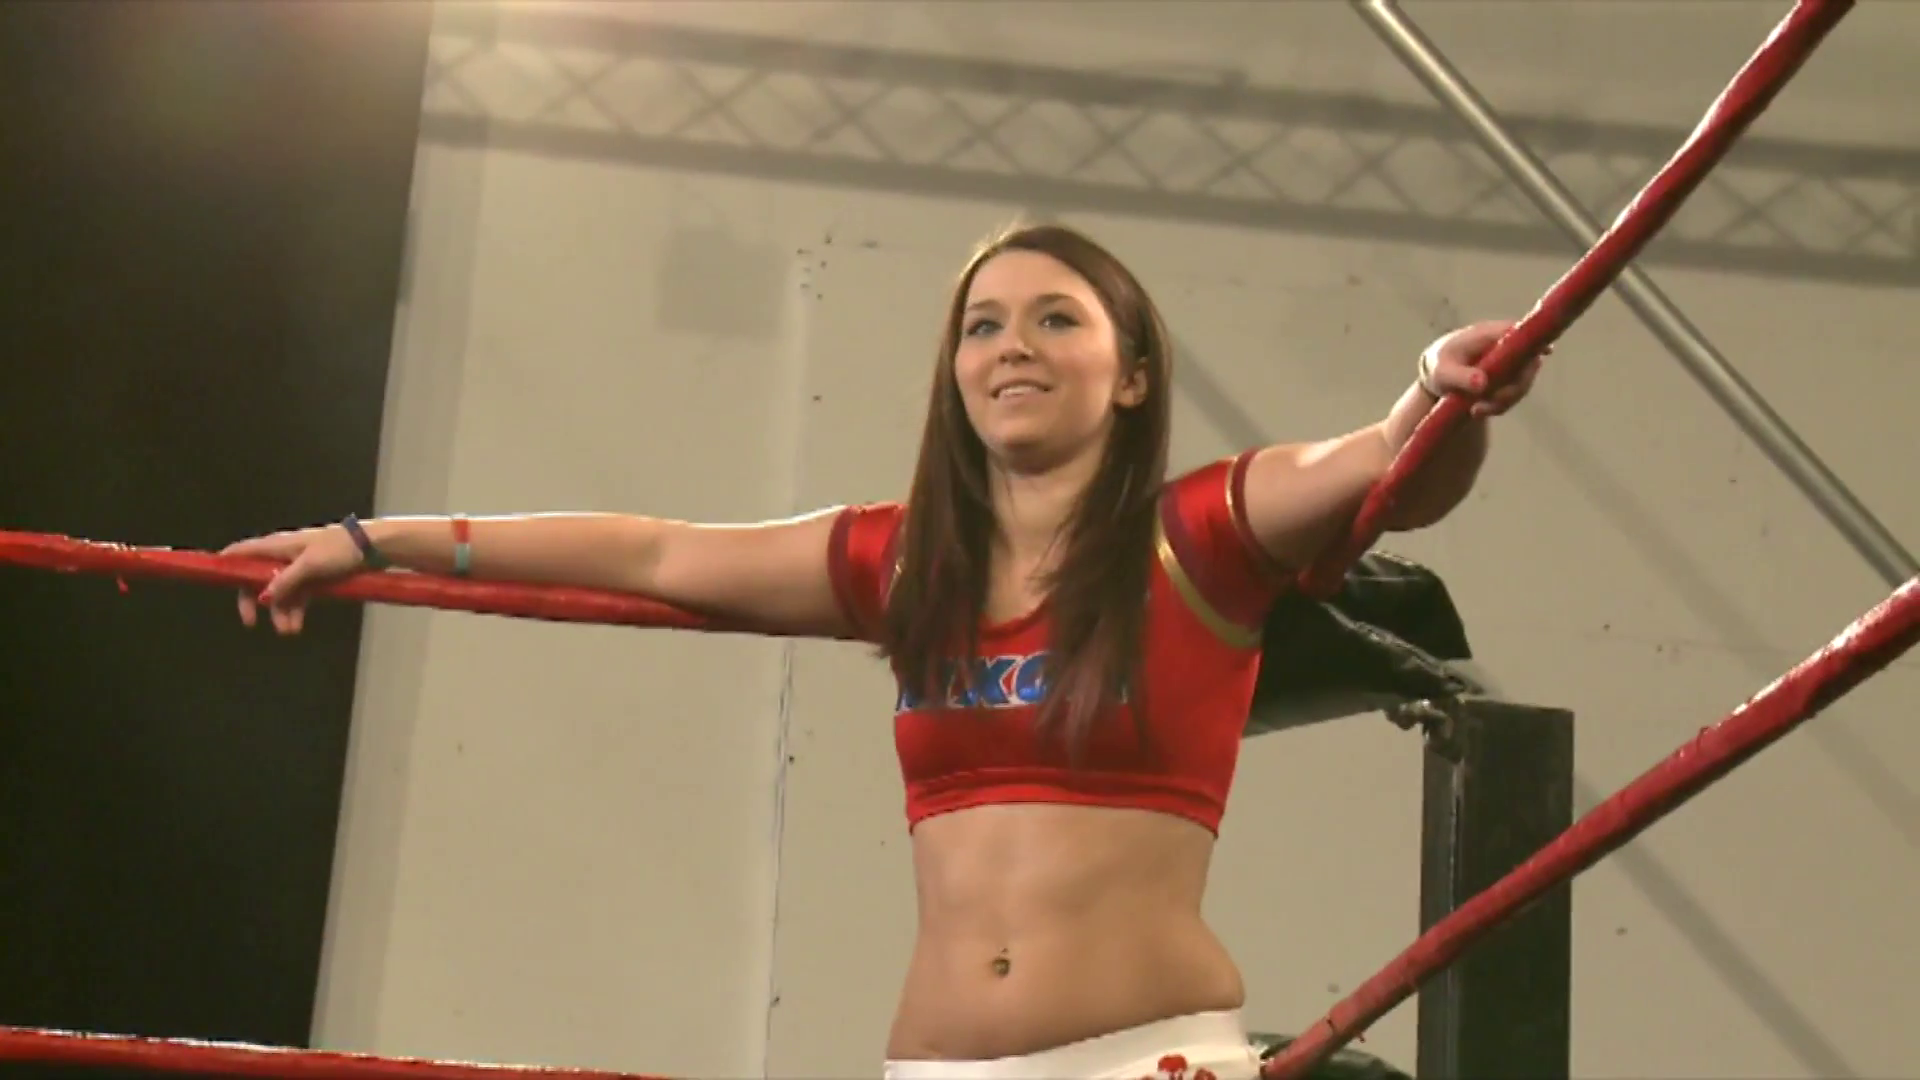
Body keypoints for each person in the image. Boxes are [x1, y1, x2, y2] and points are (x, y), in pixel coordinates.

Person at [224, 223, 1540, 1080]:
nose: (1012, 346)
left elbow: (1387, 470)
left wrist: (1442, 390)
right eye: (982, 324)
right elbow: (656, 554)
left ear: (1133, 373)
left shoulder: (1197, 532)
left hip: (1145, 1061)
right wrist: (377, 539)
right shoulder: (905, 564)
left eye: (1057, 319)